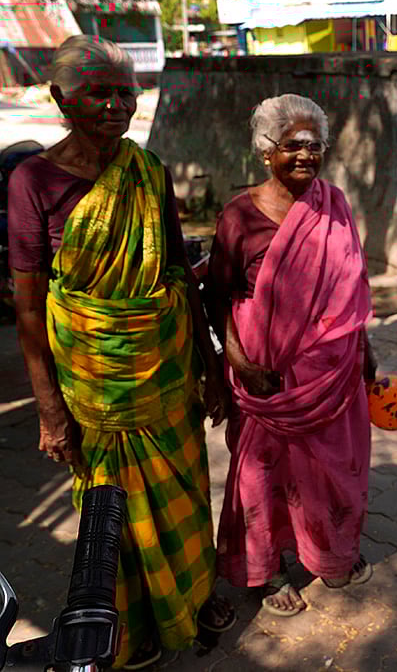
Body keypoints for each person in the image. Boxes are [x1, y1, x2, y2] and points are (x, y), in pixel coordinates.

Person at [8, 35, 235, 670]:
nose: (115, 107)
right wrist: (50, 412)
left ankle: (191, 598)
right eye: (98, 94)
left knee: (184, 493)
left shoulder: (148, 169)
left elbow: (180, 273)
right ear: (61, 99)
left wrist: (211, 366)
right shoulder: (33, 180)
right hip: (93, 384)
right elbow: (28, 305)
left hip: (165, 373)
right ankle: (127, 625)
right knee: (111, 515)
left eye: (126, 94)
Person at [207, 94, 378, 618]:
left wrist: (366, 354)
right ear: (266, 151)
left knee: (333, 471)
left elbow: (350, 294)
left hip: (334, 374)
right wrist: (239, 365)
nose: (306, 155)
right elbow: (214, 298)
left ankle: (329, 553)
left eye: (315, 145)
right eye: (293, 145)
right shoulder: (239, 216)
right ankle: (269, 569)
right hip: (267, 379)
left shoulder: (336, 204)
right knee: (264, 475)